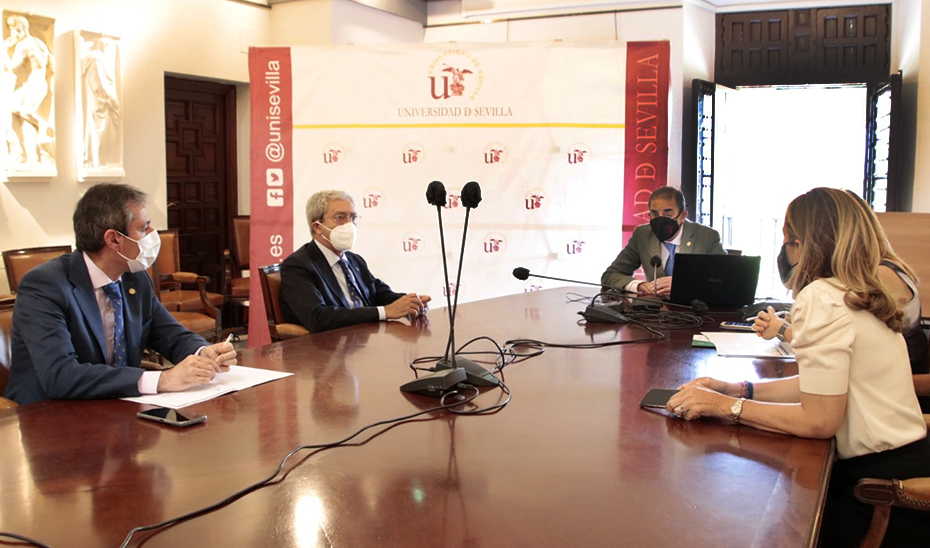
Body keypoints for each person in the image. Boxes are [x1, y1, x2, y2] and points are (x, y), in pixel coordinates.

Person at [667, 187, 930, 546]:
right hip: (907, 462)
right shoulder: (858, 292)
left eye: (789, 240)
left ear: (808, 244)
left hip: (881, 495)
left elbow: (820, 419)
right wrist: (740, 389)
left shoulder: (821, 297)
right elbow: (822, 387)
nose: (786, 251)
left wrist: (724, 407)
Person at [3, 183, 236, 406]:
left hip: (116, 407)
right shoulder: (45, 285)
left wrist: (202, 351)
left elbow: (170, 334)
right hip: (47, 415)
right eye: (143, 228)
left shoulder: (134, 277)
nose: (153, 235)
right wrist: (161, 380)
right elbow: (60, 375)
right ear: (114, 239)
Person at [753, 189, 928, 374]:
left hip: (884, 383)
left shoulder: (880, 274)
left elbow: (823, 339)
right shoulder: (869, 271)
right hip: (864, 378)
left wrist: (781, 328)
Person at [280, 190, 430, 333]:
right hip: (328, 350)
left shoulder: (354, 260)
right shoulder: (297, 266)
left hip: (366, 340)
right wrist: (386, 312)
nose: (349, 224)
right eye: (340, 217)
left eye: (353, 217)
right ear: (317, 227)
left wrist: (410, 303)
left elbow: (380, 294)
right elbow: (317, 318)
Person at [601, 186, 724, 296]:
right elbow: (610, 275)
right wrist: (638, 285)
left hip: (695, 309)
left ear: (682, 216)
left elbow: (723, 280)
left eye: (667, 215)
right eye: (655, 214)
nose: (660, 220)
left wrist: (683, 284)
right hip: (655, 312)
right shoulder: (642, 234)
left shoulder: (707, 236)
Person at [4, 14, 54, 166]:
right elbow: (52, 63)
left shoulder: (23, 45)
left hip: (35, 84)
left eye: (13, 29)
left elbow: (12, 67)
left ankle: (43, 125)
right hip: (39, 83)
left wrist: (5, 49)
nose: (12, 32)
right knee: (22, 118)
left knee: (14, 108)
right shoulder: (38, 42)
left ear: (19, 29)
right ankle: (32, 156)